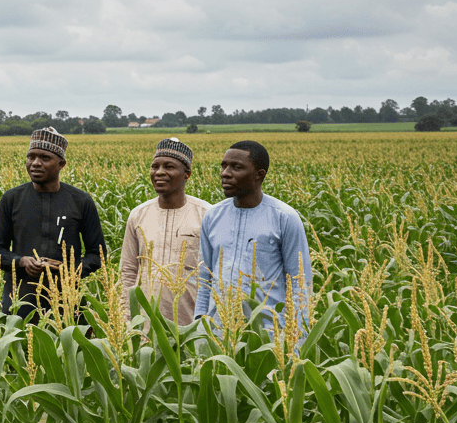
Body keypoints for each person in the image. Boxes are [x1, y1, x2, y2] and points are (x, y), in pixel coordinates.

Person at [0, 127, 107, 320]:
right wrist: (21, 262)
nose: (35, 163)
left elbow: (97, 254)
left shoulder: (81, 201)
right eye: (31, 157)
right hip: (19, 301)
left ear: (61, 164)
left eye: (44, 158)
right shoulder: (11, 199)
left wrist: (69, 271)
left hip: (67, 300)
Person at [193, 140, 312, 333]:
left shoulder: (284, 217)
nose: (225, 173)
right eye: (223, 166)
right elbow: (205, 278)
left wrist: (297, 338)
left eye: (236, 167)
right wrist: (200, 325)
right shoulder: (212, 216)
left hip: (269, 336)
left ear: (259, 175)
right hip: (219, 333)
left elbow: (300, 282)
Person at [119, 137, 210, 325]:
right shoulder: (138, 215)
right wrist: (125, 317)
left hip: (192, 326)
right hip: (144, 323)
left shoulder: (206, 215)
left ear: (187, 174)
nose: (159, 172)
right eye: (155, 166)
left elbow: (217, 273)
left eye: (169, 166)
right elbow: (128, 271)